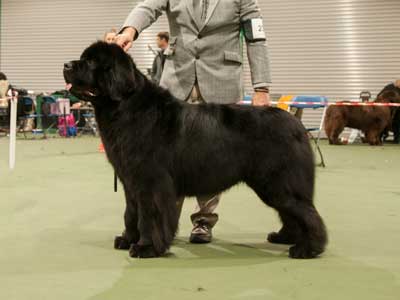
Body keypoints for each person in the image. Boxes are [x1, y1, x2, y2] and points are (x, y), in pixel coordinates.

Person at [114, 0, 272, 244]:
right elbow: (147, 7)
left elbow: (256, 38)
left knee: (214, 159)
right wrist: (129, 31)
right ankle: (163, 224)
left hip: (222, 81)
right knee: (164, 160)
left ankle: (203, 221)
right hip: (177, 80)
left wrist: (261, 87)